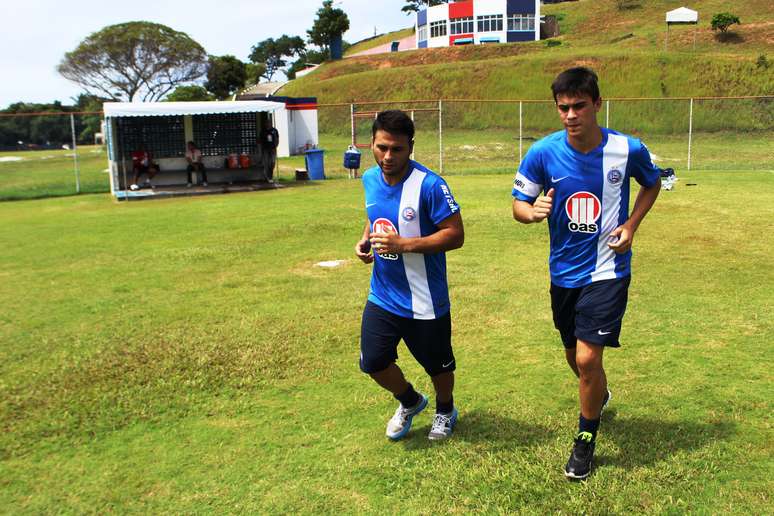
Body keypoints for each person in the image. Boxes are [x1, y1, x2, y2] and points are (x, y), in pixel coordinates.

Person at [511, 67, 661, 480]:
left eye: (579, 106)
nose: (571, 114)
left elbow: (652, 184)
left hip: (608, 268)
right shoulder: (542, 152)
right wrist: (531, 211)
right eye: (563, 107)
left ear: (597, 104)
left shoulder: (627, 149)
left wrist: (630, 225)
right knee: (573, 355)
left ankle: (585, 440)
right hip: (563, 274)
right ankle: (598, 392)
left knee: (587, 356)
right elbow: (519, 204)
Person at [355, 110, 465, 441]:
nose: (388, 156)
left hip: (425, 298)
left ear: (411, 147)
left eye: (397, 149)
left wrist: (405, 244)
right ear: (372, 144)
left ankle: (445, 410)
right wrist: (366, 238)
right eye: (381, 147)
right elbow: (375, 214)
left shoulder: (430, 185)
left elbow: (455, 235)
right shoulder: (369, 178)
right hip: (384, 294)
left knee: (439, 366)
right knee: (373, 362)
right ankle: (411, 401)